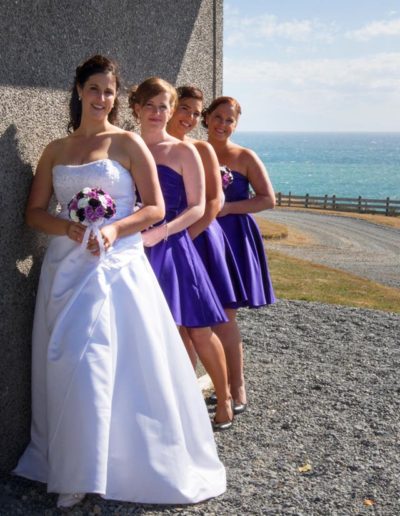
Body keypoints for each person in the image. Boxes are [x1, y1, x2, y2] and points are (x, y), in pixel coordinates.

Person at [13, 55, 226, 509]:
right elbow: (33, 212)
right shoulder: (56, 149)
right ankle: (71, 465)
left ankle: (114, 465)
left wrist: (112, 229)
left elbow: (153, 208)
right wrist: (68, 228)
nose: (102, 98)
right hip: (66, 265)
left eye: (109, 91)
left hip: (116, 264)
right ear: (79, 90)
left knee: (108, 362)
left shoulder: (128, 143)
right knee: (68, 359)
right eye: (94, 89)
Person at [128, 78, 234, 430]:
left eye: (164, 107)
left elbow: (198, 207)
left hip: (173, 248)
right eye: (151, 106)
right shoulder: (126, 147)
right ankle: (173, 407)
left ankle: (226, 398)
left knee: (199, 329)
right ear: (137, 109)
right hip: (136, 251)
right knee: (161, 334)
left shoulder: (183, 151)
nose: (158, 113)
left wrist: (163, 232)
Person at [167, 86, 250, 415]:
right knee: (178, 324)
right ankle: (185, 395)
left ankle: (233, 389)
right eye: (184, 109)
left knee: (215, 320)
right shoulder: (149, 146)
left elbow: (214, 202)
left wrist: (185, 236)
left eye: (195, 113)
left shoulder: (202, 150)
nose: (189, 117)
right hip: (165, 243)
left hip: (199, 239)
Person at [203, 96, 276, 412]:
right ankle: (216, 386)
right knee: (199, 318)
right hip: (200, 237)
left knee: (225, 317)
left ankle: (237, 389)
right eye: (217, 117)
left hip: (232, 239)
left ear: (236, 124)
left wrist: (227, 208)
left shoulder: (245, 156)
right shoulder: (193, 150)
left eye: (229, 120)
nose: (222, 124)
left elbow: (267, 199)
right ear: (207, 118)